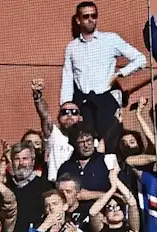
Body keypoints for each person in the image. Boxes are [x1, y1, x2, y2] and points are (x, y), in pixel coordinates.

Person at [60, 1, 147, 137]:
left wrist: (120, 73)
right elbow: (67, 78)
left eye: (94, 16)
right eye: (86, 16)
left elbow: (141, 59)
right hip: (83, 104)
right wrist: (65, 106)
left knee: (110, 143)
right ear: (78, 20)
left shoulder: (110, 39)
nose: (90, 19)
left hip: (106, 101)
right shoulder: (72, 47)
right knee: (85, 145)